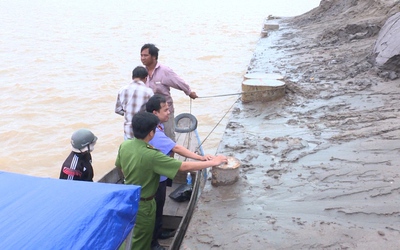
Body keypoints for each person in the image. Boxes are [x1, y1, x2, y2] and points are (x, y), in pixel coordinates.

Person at [115, 112, 227, 250]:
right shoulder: (151, 155)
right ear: (151, 133)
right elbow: (183, 166)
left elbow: (119, 166)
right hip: (145, 205)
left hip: (128, 198)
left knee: (129, 235)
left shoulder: (125, 145)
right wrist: (213, 162)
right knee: (141, 240)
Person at [145, 94, 214, 249]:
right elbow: (177, 149)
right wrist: (201, 158)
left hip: (160, 177)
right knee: (155, 211)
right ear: (155, 113)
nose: (169, 112)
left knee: (159, 208)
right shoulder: (154, 133)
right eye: (165, 110)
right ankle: (154, 243)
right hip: (156, 181)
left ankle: (159, 231)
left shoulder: (156, 127)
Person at [140, 43, 198, 142]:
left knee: (168, 137)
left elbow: (178, 81)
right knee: (150, 139)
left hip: (165, 112)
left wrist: (189, 92)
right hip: (149, 113)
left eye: (145, 55)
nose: (142, 58)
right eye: (141, 55)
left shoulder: (164, 71)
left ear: (154, 57)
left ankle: (171, 156)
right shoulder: (142, 73)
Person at [115, 66, 154, 140]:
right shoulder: (149, 92)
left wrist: (128, 113)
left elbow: (117, 110)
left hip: (128, 131)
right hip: (143, 131)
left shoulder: (122, 90)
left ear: (132, 77)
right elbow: (152, 113)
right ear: (146, 78)